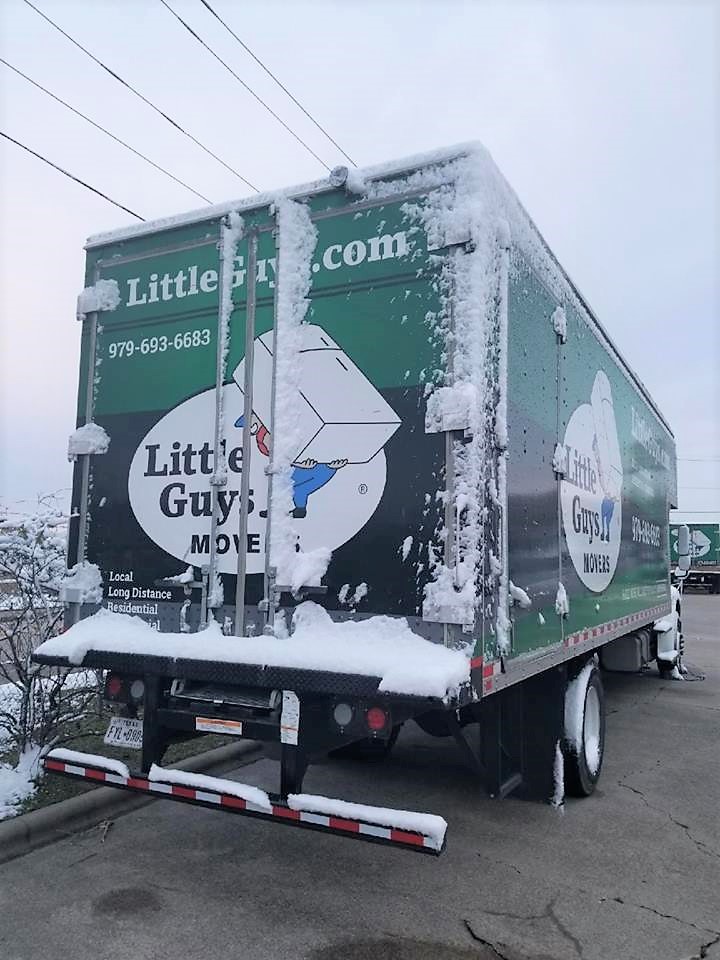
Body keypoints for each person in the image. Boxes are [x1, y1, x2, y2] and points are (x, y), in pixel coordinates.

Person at [235, 414, 347, 518]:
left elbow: (286, 453)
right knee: (298, 489)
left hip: (301, 467)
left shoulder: (267, 434)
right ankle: (296, 510)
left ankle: (289, 510)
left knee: (290, 487)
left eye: (249, 423)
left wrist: (301, 464)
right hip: (296, 467)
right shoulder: (263, 434)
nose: (249, 429)